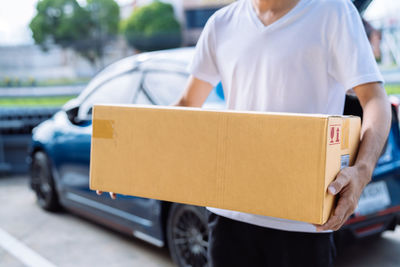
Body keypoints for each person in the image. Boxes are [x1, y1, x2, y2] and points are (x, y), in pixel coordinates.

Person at [99, 0, 391, 266]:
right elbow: (187, 104)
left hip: (303, 224)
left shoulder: (333, 12)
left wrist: (361, 171)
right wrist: (132, 160)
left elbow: (375, 99)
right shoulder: (221, 24)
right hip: (229, 217)